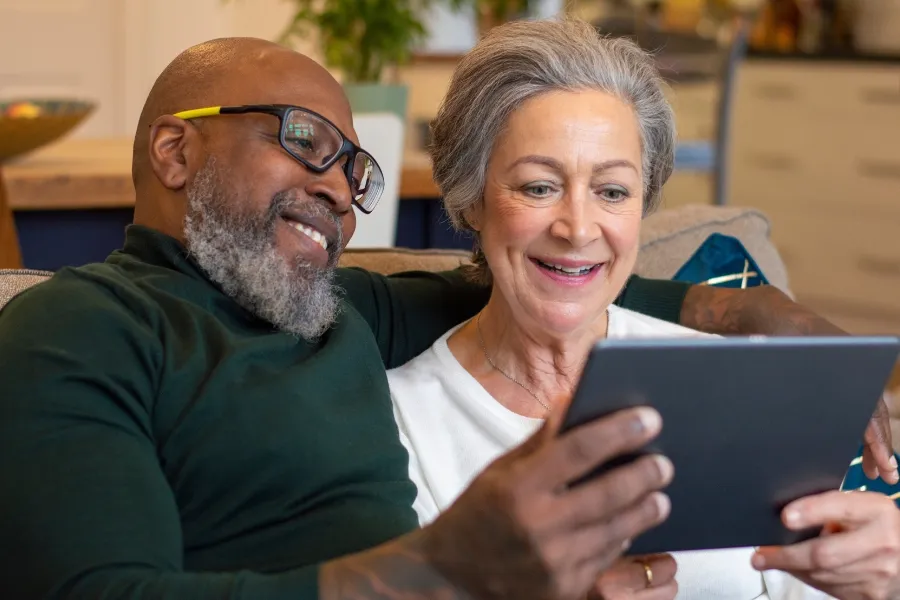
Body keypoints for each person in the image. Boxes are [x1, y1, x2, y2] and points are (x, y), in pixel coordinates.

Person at [0, 36, 893, 600]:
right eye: (304, 141)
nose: (335, 190)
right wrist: (449, 574)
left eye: (354, 170)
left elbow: (549, 279)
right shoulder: (75, 327)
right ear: (175, 146)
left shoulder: (341, 311)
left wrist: (750, 318)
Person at [388, 18, 900, 600]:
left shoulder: (729, 379)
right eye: (537, 187)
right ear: (472, 199)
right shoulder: (402, 422)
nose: (578, 228)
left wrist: (882, 580)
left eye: (612, 192)